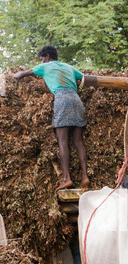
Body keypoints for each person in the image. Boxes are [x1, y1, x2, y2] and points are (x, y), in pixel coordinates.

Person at [12, 45, 89, 192]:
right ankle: (85, 176)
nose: (41, 62)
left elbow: (21, 74)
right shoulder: (69, 67)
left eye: (41, 59)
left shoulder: (45, 66)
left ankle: (67, 178)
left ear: (47, 56)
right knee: (78, 141)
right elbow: (85, 78)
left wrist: (11, 76)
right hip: (76, 100)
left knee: (63, 141)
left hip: (62, 98)